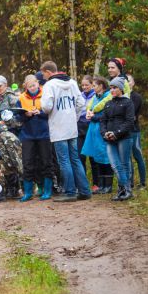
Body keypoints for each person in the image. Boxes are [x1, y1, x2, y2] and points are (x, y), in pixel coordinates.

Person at [40, 61, 91, 202]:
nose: (43, 77)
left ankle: (69, 192)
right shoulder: (72, 82)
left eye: (43, 73)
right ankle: (84, 190)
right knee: (74, 158)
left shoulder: (50, 85)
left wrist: (43, 107)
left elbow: (46, 107)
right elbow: (81, 103)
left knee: (64, 160)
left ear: (48, 72)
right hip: (71, 127)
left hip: (58, 127)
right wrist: (73, 117)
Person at [15, 75, 53, 201]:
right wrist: (26, 115)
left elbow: (51, 112)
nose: (32, 88)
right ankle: (28, 192)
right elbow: (17, 117)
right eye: (29, 86)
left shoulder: (45, 94)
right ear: (25, 86)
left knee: (46, 161)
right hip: (27, 135)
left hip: (44, 133)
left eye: (34, 85)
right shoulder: (21, 98)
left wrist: (40, 113)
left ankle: (47, 190)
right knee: (28, 163)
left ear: (38, 83)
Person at [101, 78, 135, 201]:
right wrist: (105, 133)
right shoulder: (108, 103)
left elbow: (130, 121)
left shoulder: (127, 103)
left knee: (124, 164)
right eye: (111, 88)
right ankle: (123, 189)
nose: (112, 90)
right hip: (109, 139)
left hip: (124, 138)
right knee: (115, 165)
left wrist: (116, 133)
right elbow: (103, 121)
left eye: (114, 87)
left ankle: (126, 190)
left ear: (120, 88)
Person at [81, 77, 114, 194]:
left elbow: (107, 115)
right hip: (93, 129)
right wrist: (89, 114)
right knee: (97, 157)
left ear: (101, 86)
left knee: (105, 157)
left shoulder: (108, 97)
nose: (93, 87)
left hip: (102, 129)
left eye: (94, 85)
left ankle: (108, 186)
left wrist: (93, 117)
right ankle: (101, 185)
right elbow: (90, 109)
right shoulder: (95, 97)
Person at [77, 75, 99, 192]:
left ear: (91, 84)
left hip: (91, 127)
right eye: (83, 85)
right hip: (79, 127)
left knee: (93, 158)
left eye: (87, 85)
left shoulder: (95, 96)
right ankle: (83, 183)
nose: (85, 87)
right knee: (80, 157)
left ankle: (96, 183)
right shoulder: (79, 96)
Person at [127, 74, 146, 190]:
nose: (127, 83)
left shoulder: (136, 97)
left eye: (129, 81)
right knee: (127, 158)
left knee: (138, 156)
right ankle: (130, 183)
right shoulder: (121, 97)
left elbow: (132, 115)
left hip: (134, 131)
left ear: (133, 83)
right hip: (123, 132)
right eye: (125, 81)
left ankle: (143, 183)